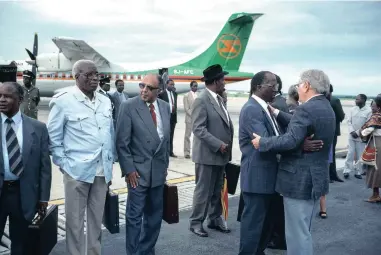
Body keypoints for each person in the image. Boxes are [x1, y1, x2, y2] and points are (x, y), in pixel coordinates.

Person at [252, 69, 336, 255]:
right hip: (316, 180)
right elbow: (299, 125)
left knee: (297, 236)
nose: (298, 87)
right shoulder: (325, 106)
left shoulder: (306, 108)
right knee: (304, 231)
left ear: (306, 85)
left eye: (299, 83)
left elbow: (290, 140)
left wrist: (262, 142)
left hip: (299, 181)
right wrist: (277, 113)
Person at [47, 60, 115, 255]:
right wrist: (65, 165)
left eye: (97, 75)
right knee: (75, 223)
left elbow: (109, 132)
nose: (95, 78)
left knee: (96, 222)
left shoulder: (105, 100)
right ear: (76, 77)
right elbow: (54, 138)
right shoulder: (63, 100)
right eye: (89, 75)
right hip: (76, 172)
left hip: (101, 171)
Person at [116, 74, 171, 255]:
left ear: (159, 91)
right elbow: (121, 143)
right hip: (137, 174)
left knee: (154, 218)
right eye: (142, 85)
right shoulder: (129, 106)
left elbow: (166, 142)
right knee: (134, 218)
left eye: (149, 88)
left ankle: (146, 251)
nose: (144, 90)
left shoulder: (164, 107)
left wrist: (164, 168)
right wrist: (129, 170)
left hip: (157, 173)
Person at [0, 81, 51, 254]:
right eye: (0, 96)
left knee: (20, 245)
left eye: (7, 96)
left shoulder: (38, 128)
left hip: (23, 195)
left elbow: (44, 167)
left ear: (20, 99)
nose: (2, 99)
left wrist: (43, 198)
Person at [189, 64, 234, 237]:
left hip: (220, 155)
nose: (225, 82)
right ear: (215, 81)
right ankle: (196, 222)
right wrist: (219, 144)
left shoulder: (219, 98)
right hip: (208, 155)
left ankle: (214, 219)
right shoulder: (201, 99)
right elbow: (198, 128)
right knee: (203, 191)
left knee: (217, 190)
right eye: (222, 79)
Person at [343, 94, 371, 179]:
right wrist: (352, 131)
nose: (355, 100)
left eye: (357, 99)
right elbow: (348, 121)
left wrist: (358, 133)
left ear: (363, 100)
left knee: (360, 154)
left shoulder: (369, 111)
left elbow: (367, 124)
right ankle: (346, 171)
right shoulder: (352, 109)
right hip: (352, 135)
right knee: (350, 153)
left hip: (361, 136)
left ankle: (358, 172)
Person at [359, 96, 381, 202]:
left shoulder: (376, 117)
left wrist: (361, 133)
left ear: (379, 106)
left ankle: (375, 195)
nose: (372, 107)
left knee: (374, 168)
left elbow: (368, 130)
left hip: (377, 143)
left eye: (374, 105)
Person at [329, 84, 345, 182]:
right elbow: (341, 116)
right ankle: (332, 175)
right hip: (333, 131)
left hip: (322, 131)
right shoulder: (335, 100)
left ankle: (330, 175)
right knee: (332, 153)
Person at [158, 79, 178, 157]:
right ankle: (163, 151)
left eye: (173, 84)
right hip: (165, 117)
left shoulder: (175, 93)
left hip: (173, 117)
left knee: (171, 135)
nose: (172, 86)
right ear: (167, 85)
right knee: (164, 135)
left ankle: (170, 151)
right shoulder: (162, 94)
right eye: (171, 84)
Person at [183, 81, 198, 159]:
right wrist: (194, 115)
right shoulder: (186, 96)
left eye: (196, 86)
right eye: (194, 86)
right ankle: (187, 152)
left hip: (197, 119)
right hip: (189, 119)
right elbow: (186, 109)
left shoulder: (198, 95)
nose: (196, 87)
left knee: (197, 137)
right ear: (191, 87)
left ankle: (196, 152)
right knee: (187, 136)